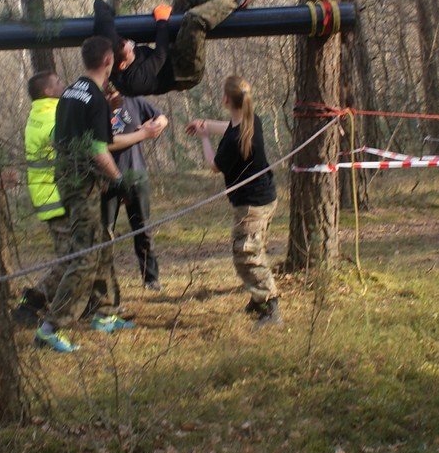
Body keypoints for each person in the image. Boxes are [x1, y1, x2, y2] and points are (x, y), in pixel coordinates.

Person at [37, 36, 167, 353]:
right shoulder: (94, 97)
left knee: (103, 245)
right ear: (109, 61)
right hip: (81, 185)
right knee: (85, 257)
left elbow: (64, 137)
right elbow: (98, 149)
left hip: (75, 178)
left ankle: (104, 313)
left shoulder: (71, 92)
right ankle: (50, 328)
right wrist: (118, 180)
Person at [13, 70, 114, 326]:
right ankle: (33, 301)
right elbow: (78, 143)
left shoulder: (40, 114)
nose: (63, 85)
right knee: (73, 258)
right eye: (58, 82)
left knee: (82, 253)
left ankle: (92, 305)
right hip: (57, 198)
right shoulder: (50, 117)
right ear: (47, 91)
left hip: (53, 196)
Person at [91, 0, 268, 97]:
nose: (131, 44)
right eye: (130, 49)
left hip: (171, 49)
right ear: (123, 65)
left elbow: (99, 4)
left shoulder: (110, 45)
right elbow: (160, 54)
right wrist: (161, 21)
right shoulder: (134, 82)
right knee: (194, 20)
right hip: (184, 70)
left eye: (128, 42)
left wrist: (117, 17)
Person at [185, 75, 280, 327]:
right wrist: (205, 125)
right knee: (254, 249)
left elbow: (214, 165)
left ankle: (270, 306)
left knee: (246, 255)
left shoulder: (233, 140)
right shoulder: (252, 120)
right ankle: (258, 300)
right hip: (265, 198)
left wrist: (204, 138)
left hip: (251, 206)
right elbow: (229, 126)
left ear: (226, 99)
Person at [101, 88, 163, 291]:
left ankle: (151, 279)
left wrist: (154, 126)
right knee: (104, 233)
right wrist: (141, 135)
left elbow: (162, 117)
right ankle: (104, 285)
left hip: (136, 175)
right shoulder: (96, 105)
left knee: (143, 229)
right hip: (106, 179)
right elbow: (103, 144)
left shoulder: (134, 100)